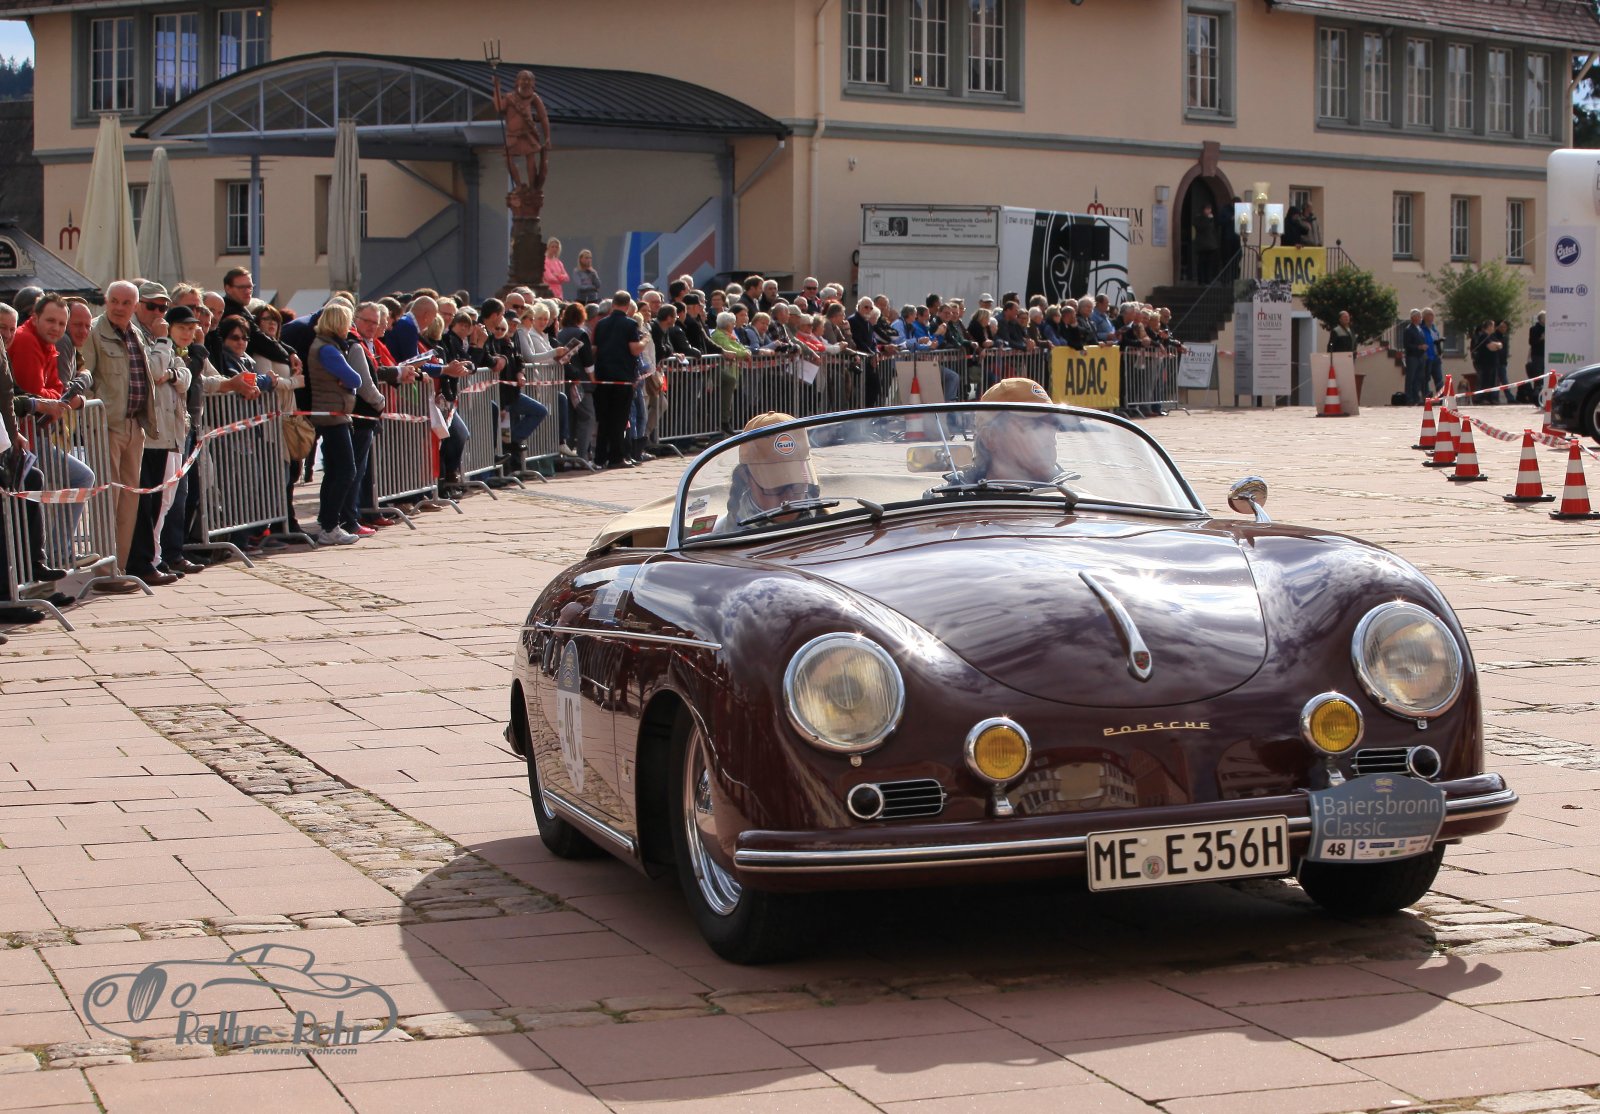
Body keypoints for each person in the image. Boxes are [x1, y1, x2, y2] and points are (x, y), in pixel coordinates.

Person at [78, 280, 154, 578]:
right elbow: (84, 376)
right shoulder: (95, 332)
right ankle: (103, 571)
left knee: (129, 502)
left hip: (136, 425)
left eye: (126, 303)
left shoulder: (136, 333)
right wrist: (94, 418)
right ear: (106, 301)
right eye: (114, 301)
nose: (119, 307)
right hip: (107, 426)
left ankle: (118, 569)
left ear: (135, 306)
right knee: (107, 500)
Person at [952, 377, 1067, 485]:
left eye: (1054, 425)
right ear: (990, 437)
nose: (1051, 439)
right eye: (1034, 425)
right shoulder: (956, 496)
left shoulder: (1071, 495)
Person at [720, 411, 819, 530]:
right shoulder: (727, 533)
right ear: (745, 476)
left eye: (796, 485)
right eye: (776, 488)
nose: (788, 499)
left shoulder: (828, 521)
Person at [591, 292, 644, 469]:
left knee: (604, 419)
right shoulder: (630, 324)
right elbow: (634, 349)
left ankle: (600, 458)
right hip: (623, 377)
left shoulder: (601, 324)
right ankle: (616, 457)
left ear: (613, 304)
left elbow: (594, 349)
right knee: (619, 419)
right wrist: (644, 341)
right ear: (628, 306)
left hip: (602, 377)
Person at [1401, 309, 1428, 406]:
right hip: (1412, 357)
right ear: (1414, 317)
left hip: (1420, 356)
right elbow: (1407, 345)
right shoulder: (1409, 329)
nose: (1421, 318)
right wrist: (1418, 347)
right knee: (1410, 378)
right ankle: (1409, 398)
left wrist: (1424, 347)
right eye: (1419, 316)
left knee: (1418, 378)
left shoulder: (1420, 329)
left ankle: (1416, 398)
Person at [1193, 203, 1221, 283]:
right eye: (1207, 209)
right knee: (1201, 263)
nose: (1209, 211)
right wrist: (1209, 220)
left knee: (1210, 264)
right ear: (1203, 210)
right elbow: (1202, 227)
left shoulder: (1211, 219)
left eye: (1210, 209)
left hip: (1211, 245)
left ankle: (1208, 280)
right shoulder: (1199, 218)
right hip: (1202, 245)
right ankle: (1201, 280)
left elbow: (1213, 229)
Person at [1525, 310, 1546, 404]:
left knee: (1545, 378)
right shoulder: (1534, 329)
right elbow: (1531, 342)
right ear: (1541, 319)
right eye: (1545, 318)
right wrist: (1541, 338)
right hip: (1537, 356)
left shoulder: (1549, 328)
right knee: (1538, 378)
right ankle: (1537, 399)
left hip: (1547, 356)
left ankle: (1544, 398)